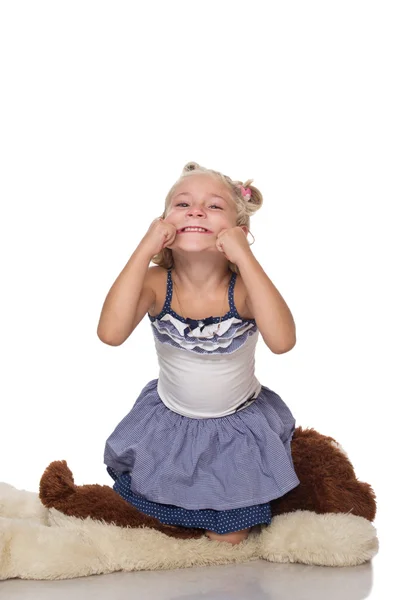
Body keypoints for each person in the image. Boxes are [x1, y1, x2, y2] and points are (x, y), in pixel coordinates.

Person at [98, 161, 300, 545]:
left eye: (214, 206)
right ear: (164, 227)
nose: (196, 210)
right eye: (183, 204)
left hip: (235, 430)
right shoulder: (157, 283)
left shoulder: (243, 289)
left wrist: (246, 258)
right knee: (149, 519)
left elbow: (282, 341)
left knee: (229, 537)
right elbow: (110, 333)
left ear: (238, 232)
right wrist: (144, 249)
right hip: (171, 426)